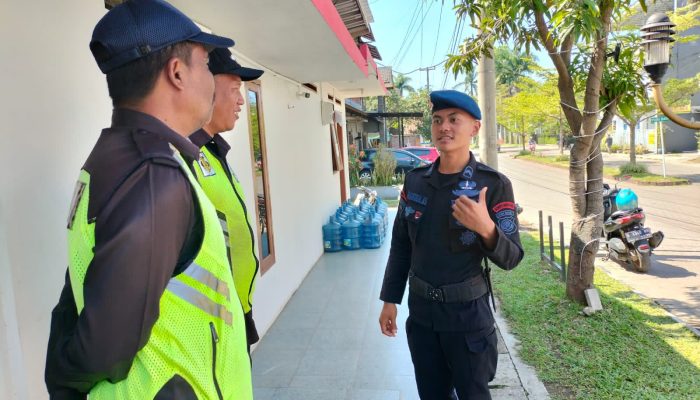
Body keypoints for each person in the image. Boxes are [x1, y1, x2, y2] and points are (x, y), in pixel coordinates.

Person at [44, 1, 252, 399]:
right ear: (176, 73)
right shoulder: (154, 176)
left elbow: (73, 301)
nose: (211, 79)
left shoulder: (115, 156)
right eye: (206, 64)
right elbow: (105, 346)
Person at [378, 90, 524, 400]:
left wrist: (487, 229)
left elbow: (512, 257)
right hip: (422, 316)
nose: (444, 127)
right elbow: (401, 245)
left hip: (467, 318)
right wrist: (390, 299)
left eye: (454, 120)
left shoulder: (493, 185)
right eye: (437, 120)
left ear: (474, 128)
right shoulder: (415, 181)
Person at [189, 48, 264, 352]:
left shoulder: (213, 152)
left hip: (235, 308)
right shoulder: (184, 156)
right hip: (210, 322)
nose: (240, 101)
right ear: (207, 88)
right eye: (234, 90)